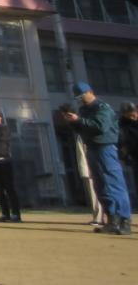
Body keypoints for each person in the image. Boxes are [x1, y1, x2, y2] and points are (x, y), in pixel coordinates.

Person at [63, 82, 132, 235]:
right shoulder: (83, 110)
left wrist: (79, 120)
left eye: (82, 96)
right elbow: (82, 128)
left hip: (105, 147)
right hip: (92, 147)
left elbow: (100, 126)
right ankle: (111, 219)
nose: (81, 100)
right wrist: (73, 122)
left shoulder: (102, 107)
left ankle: (124, 220)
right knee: (101, 185)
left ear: (90, 92)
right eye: (79, 98)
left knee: (114, 183)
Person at [119, 102, 138, 192]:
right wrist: (125, 155)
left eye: (133, 115)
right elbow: (123, 141)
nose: (132, 118)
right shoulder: (123, 125)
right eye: (129, 116)